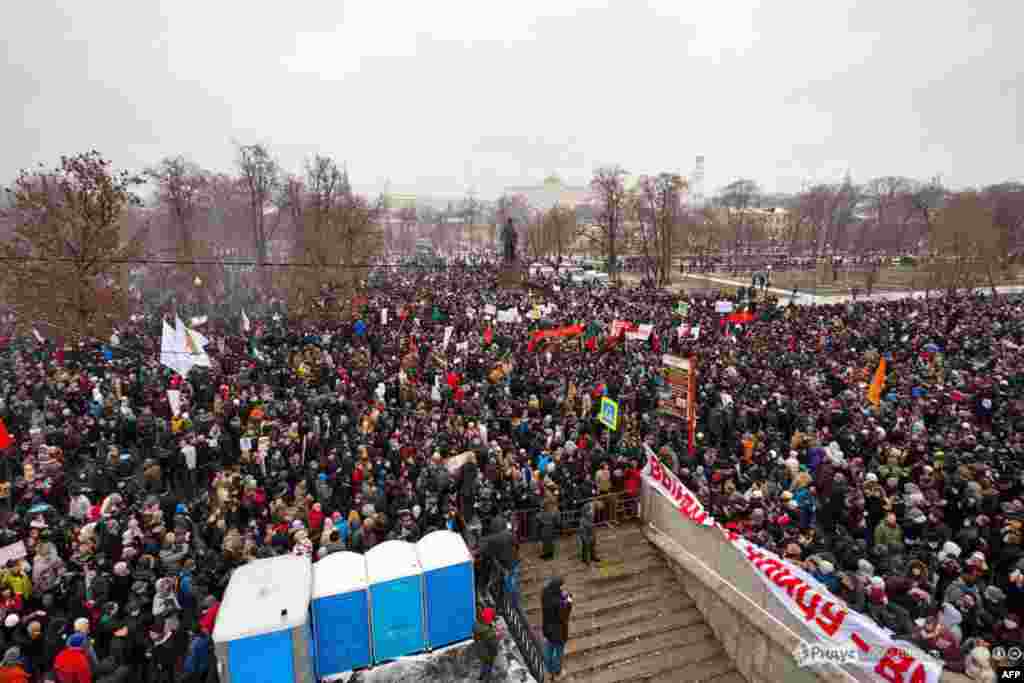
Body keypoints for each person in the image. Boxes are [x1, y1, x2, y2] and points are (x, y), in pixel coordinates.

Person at [541, 577, 572, 680]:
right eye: (561, 587)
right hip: (559, 633)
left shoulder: (545, 595)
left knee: (548, 652)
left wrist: (561, 596)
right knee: (558, 653)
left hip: (547, 629)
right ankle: (557, 671)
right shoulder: (559, 603)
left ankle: (549, 671)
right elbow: (564, 615)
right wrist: (568, 601)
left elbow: (548, 591)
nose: (563, 589)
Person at [472, 607, 500, 682]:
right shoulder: (485, 629)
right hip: (487, 648)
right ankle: (486, 678)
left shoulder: (477, 624)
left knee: (485, 663)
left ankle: (483, 676)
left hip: (483, 647)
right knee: (488, 664)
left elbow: (476, 636)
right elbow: (492, 643)